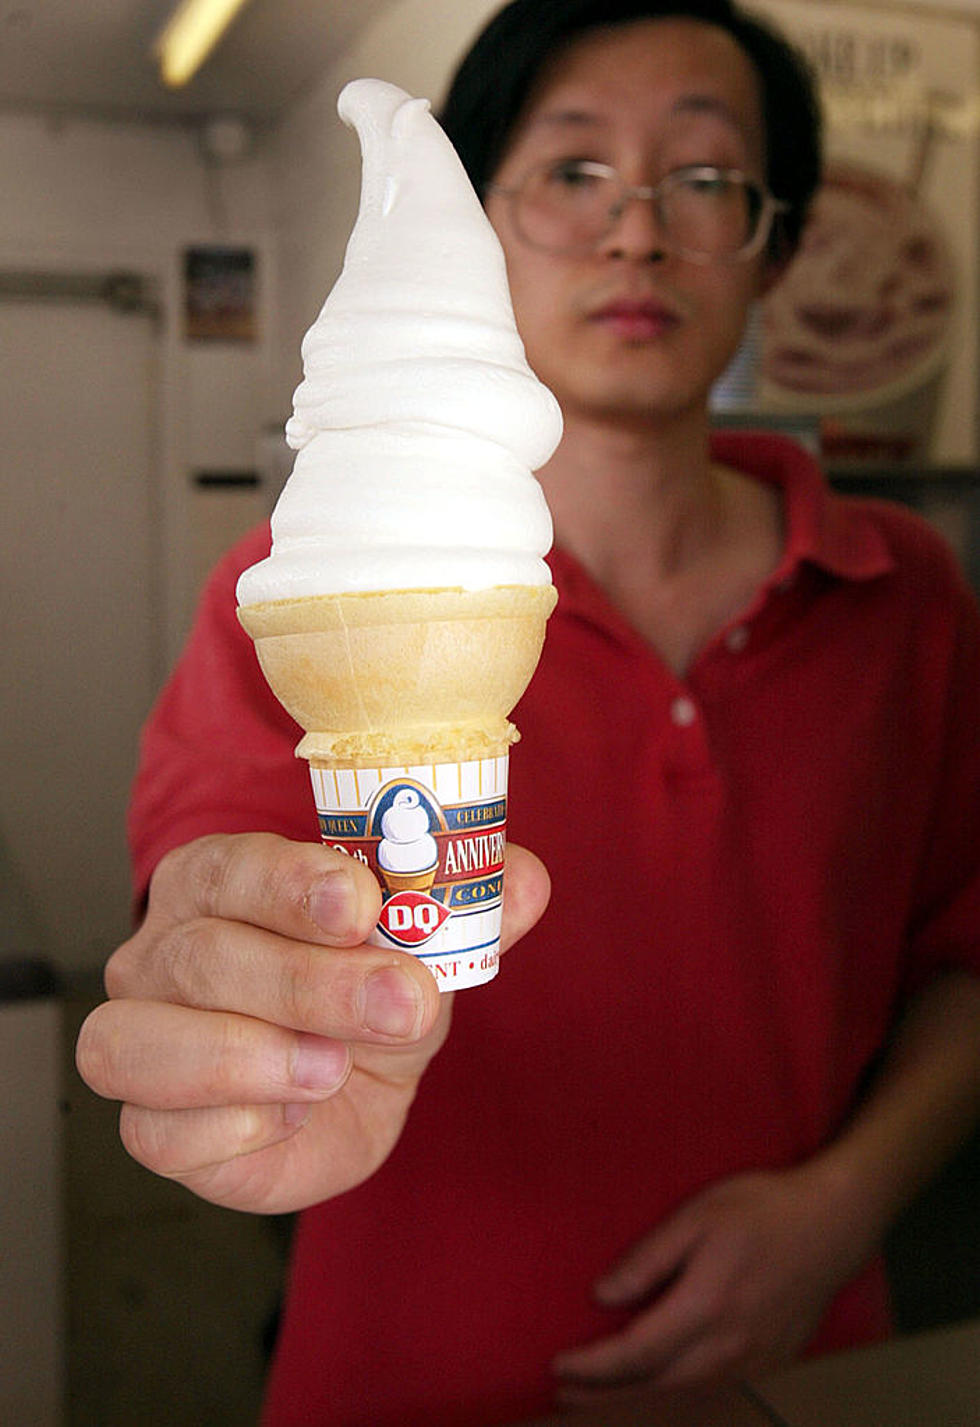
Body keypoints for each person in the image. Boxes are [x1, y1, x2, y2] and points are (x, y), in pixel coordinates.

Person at [76, 1, 980, 1423]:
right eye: (570, 173)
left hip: (804, 1365)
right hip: (402, 1373)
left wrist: (838, 1209)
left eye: (701, 179)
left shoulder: (904, 591)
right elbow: (195, 911)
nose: (637, 234)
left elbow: (966, 962)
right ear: (478, 231)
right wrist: (223, 1014)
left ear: (777, 245)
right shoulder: (284, 590)